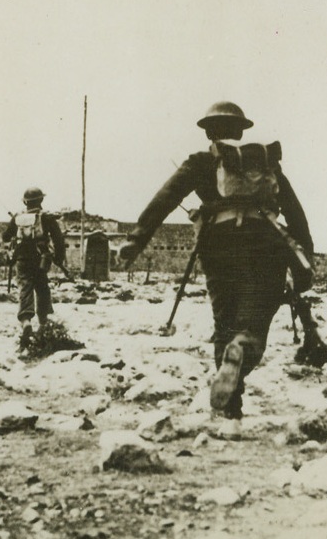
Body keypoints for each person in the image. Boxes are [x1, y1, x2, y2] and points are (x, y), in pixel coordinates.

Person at [119, 101, 313, 429]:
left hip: (217, 245)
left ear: (208, 132)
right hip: (265, 243)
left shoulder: (200, 161)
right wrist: (304, 261)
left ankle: (230, 411)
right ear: (241, 131)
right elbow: (295, 211)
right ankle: (242, 350)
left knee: (224, 322)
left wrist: (137, 239)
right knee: (254, 321)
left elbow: (166, 197)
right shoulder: (266, 162)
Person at [2, 187, 68, 349]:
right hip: (41, 258)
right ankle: (43, 322)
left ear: (25, 202)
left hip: (22, 258)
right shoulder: (46, 217)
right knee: (42, 287)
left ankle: (26, 321)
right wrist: (59, 258)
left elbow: (5, 237)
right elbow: (58, 240)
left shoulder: (18, 216)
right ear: (41, 200)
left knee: (25, 288)